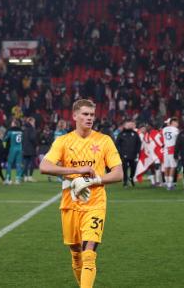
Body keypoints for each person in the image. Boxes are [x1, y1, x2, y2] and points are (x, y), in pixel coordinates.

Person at [39, 99, 123, 288]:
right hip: (70, 205)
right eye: (85, 114)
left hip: (95, 204)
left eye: (92, 115)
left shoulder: (104, 140)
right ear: (74, 116)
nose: (89, 118)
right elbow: (44, 166)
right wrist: (75, 172)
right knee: (76, 254)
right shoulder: (63, 141)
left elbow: (118, 173)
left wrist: (92, 180)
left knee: (89, 254)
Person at [115, 120, 141, 187]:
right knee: (124, 168)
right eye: (127, 125)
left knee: (133, 168)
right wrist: (120, 153)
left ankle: (131, 178)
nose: (129, 126)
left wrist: (137, 152)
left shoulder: (135, 134)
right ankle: (125, 181)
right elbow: (117, 144)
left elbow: (139, 143)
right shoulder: (121, 134)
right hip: (123, 155)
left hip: (133, 155)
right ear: (124, 126)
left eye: (130, 125)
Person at [161, 118, 180, 190]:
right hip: (172, 149)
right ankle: (170, 184)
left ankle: (166, 182)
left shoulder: (164, 129)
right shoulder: (176, 130)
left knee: (166, 166)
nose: (178, 124)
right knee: (173, 166)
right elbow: (178, 139)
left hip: (166, 149)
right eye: (177, 122)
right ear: (173, 122)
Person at [4, 119, 24, 185]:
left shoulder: (10, 131)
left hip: (13, 148)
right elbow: (23, 139)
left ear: (15, 124)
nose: (11, 124)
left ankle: (8, 179)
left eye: (12, 123)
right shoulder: (21, 131)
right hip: (20, 148)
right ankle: (17, 179)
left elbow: (5, 139)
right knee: (18, 164)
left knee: (9, 164)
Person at [22, 117, 38, 182]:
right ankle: (30, 176)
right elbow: (32, 138)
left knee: (26, 163)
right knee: (32, 163)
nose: (34, 123)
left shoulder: (24, 129)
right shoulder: (32, 129)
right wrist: (36, 145)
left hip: (25, 148)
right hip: (31, 148)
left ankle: (25, 177)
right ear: (31, 122)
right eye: (33, 122)